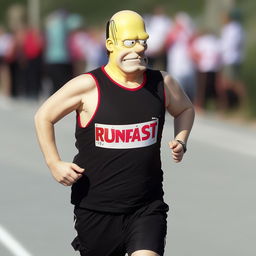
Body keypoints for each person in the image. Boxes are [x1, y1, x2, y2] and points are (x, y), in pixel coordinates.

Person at [34, 10, 194, 256]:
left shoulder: (162, 83)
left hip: (146, 206)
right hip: (96, 208)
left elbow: (184, 109)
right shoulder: (88, 86)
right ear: (110, 45)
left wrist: (181, 139)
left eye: (143, 42)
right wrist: (53, 162)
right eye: (130, 42)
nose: (139, 49)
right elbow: (44, 116)